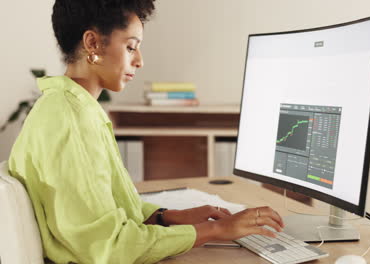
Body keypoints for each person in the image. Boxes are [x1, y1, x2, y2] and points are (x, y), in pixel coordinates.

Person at [8, 0, 284, 263]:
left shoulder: (69, 106)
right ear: (92, 42)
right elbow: (109, 247)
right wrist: (216, 231)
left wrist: (168, 216)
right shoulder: (70, 122)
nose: (139, 60)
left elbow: (109, 207)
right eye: (130, 47)